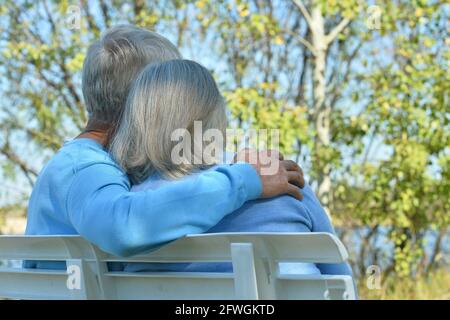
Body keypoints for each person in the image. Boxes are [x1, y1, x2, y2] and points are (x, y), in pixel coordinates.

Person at [24, 25, 305, 269]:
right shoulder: (85, 168)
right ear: (145, 100)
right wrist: (245, 180)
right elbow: (123, 227)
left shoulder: (80, 162)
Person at [110, 59, 354, 278]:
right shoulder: (281, 180)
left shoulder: (129, 211)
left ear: (140, 124)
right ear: (215, 115)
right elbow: (341, 280)